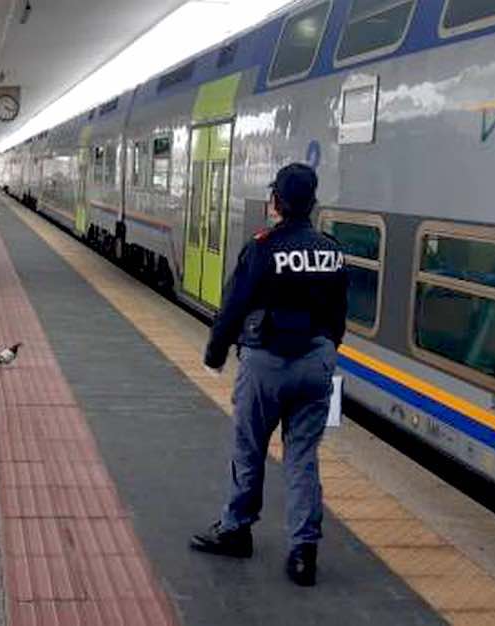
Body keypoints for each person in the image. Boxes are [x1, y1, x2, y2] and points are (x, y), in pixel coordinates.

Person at [189, 163, 347, 586]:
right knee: (302, 456)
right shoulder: (331, 249)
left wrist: (214, 355)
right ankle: (303, 553)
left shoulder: (262, 248)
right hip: (318, 364)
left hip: (266, 364)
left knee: (250, 447)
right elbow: (338, 317)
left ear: (276, 201)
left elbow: (233, 307)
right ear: (313, 203)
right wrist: (325, 352)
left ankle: (237, 530)